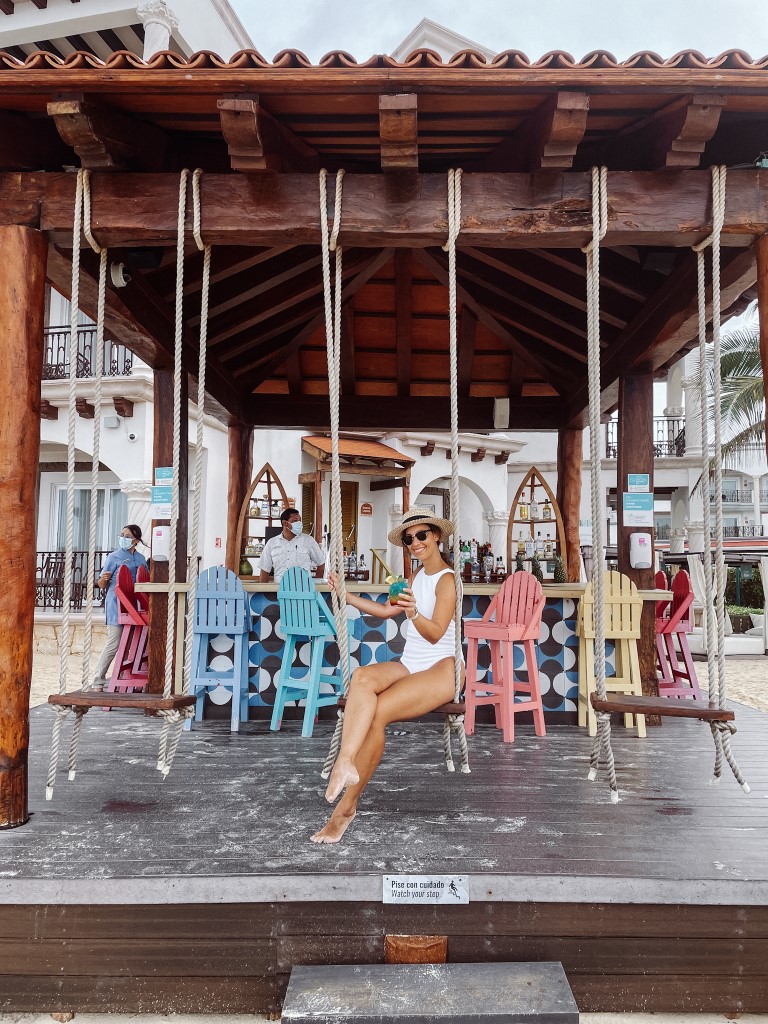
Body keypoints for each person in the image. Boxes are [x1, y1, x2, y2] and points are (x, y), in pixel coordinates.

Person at [311, 507, 463, 844]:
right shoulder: (414, 578)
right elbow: (383, 612)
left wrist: (413, 612)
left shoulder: (448, 579)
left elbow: (436, 633)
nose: (415, 543)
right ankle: (346, 761)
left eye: (421, 535)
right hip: (411, 663)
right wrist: (344, 594)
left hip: (443, 668)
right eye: (409, 539)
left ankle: (345, 810)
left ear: (437, 536)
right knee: (363, 677)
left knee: (377, 713)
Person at [93, 524, 149, 689]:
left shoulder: (140, 559)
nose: (123, 538)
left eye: (127, 536)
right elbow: (102, 584)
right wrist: (103, 578)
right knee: (114, 643)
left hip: (134, 606)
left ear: (136, 540)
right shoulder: (113, 557)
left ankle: (125, 678)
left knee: (131, 643)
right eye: (121, 534)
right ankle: (98, 680)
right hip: (115, 604)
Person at [259, 508, 325, 583]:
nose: (299, 523)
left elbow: (321, 564)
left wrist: (314, 586)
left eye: (300, 521)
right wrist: (263, 591)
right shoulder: (272, 543)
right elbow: (264, 570)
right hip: (279, 590)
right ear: (285, 523)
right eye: (295, 521)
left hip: (304, 590)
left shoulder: (309, 540)